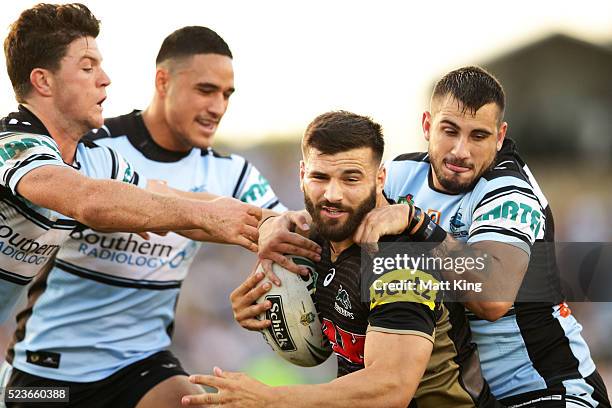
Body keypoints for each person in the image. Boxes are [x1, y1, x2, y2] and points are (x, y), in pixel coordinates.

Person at [244, 67, 611, 407]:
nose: (460, 151)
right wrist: (276, 225)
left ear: (499, 137)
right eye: (449, 130)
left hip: (547, 387)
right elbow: (340, 220)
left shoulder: (510, 193)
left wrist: (418, 223)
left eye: (478, 136)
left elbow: (493, 298)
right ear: (427, 125)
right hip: (474, 391)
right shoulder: (403, 173)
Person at [3, 25, 285, 408]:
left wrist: (381, 216)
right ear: (163, 81)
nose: (218, 106)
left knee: (189, 401)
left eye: (226, 95)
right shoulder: (62, 147)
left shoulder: (224, 173)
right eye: (206, 90)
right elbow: (91, 200)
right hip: (44, 373)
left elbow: (158, 197)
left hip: (141, 365)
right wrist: (204, 214)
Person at [183, 111, 501, 407]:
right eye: (320, 177)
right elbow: (212, 210)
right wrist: (267, 313)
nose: (333, 195)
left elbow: (391, 387)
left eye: (350, 179)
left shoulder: (398, 260)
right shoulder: (315, 240)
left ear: (379, 179)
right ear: (302, 174)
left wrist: (271, 399)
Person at [0, 3, 260, 326]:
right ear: (43, 81)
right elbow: (87, 200)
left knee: (192, 380)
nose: (105, 79)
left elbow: (170, 201)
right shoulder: (11, 145)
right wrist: (207, 215)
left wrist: (276, 225)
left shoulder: (93, 160)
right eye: (87, 67)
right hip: (36, 360)